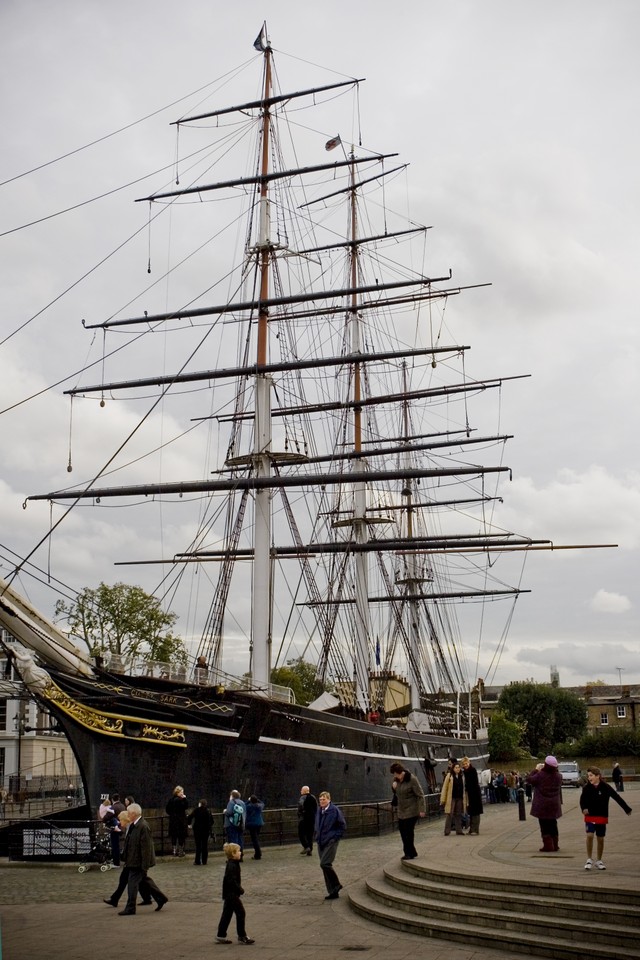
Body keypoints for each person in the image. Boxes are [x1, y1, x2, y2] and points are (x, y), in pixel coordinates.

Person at [118, 802, 168, 915]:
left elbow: (146, 848)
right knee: (145, 881)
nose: (127, 814)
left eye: (129, 813)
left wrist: (144, 865)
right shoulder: (135, 825)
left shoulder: (143, 826)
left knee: (132, 884)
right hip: (133, 860)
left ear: (134, 814)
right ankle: (161, 898)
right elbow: (130, 844)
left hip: (137, 862)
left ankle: (130, 907)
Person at [580, 765, 632, 870]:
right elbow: (582, 800)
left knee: (600, 838)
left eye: (591, 775)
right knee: (589, 835)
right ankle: (589, 859)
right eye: (588, 775)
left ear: (598, 776)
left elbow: (617, 797)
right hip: (590, 816)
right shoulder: (586, 787)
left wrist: (626, 808)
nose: (589, 778)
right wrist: (584, 808)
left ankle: (599, 860)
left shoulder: (605, 787)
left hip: (601, 816)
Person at [103, 811, 154, 908]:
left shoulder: (134, 827)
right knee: (138, 880)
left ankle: (117, 899)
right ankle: (147, 898)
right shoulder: (130, 827)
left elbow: (142, 846)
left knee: (135, 881)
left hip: (134, 860)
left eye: (120, 820)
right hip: (132, 859)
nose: (119, 822)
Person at [215, 842, 255, 944]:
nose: (241, 853)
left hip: (229, 894)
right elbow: (231, 881)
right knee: (241, 913)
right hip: (232, 894)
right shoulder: (232, 865)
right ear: (233, 854)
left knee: (227, 914)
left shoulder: (232, 864)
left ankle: (221, 934)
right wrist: (240, 889)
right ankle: (242, 935)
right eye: (238, 851)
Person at [527, 755, 563, 852]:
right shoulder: (559, 776)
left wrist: (536, 770)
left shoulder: (540, 775)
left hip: (542, 804)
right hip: (554, 804)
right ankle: (555, 844)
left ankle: (548, 845)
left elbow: (529, 779)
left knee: (544, 824)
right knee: (553, 823)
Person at [390, 762, 426, 858]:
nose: (395, 776)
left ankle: (408, 853)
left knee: (408, 832)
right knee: (402, 832)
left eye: (396, 774)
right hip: (401, 810)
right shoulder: (396, 780)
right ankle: (412, 851)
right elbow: (397, 792)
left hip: (412, 810)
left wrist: (422, 809)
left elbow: (420, 795)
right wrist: (393, 788)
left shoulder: (412, 779)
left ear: (401, 772)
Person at [314, 791, 346, 900]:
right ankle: (333, 891)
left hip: (330, 841)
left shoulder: (334, 811)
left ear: (329, 799)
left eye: (324, 799)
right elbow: (317, 823)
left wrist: (335, 838)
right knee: (324, 867)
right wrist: (317, 835)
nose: (322, 802)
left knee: (325, 863)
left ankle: (336, 885)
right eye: (320, 800)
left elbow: (342, 825)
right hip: (321, 841)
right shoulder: (319, 810)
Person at [440, 760, 466, 837]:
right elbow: (445, 788)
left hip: (460, 797)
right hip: (452, 798)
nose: (458, 769)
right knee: (449, 813)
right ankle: (447, 830)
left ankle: (459, 830)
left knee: (458, 814)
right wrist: (443, 799)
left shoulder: (462, 776)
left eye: (459, 767)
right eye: (456, 768)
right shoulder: (449, 776)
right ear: (453, 768)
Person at [461, 757, 484, 835]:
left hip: (475, 793)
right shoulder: (464, 772)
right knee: (471, 812)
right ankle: (471, 829)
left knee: (476, 812)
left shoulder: (472, 770)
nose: (465, 765)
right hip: (469, 794)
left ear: (469, 763)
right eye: (464, 764)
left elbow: (474, 782)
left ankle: (475, 829)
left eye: (466, 763)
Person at [188, 798, 214, 865]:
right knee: (205, 845)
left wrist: (189, 824)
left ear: (200, 804)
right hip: (206, 830)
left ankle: (197, 861)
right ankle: (204, 861)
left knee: (198, 845)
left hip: (197, 830)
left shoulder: (196, 810)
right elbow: (212, 821)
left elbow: (190, 817)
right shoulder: (208, 811)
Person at [166, 785, 189, 857]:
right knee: (181, 836)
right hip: (181, 821)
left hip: (173, 821)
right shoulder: (181, 800)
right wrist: (185, 799)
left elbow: (167, 810)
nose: (182, 793)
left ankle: (174, 851)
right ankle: (181, 851)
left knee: (174, 836)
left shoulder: (171, 800)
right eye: (181, 792)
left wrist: (172, 815)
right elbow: (186, 806)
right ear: (178, 793)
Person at [224, 790, 246, 855]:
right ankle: (240, 854)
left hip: (231, 824)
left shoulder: (231, 802)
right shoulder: (242, 803)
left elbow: (229, 812)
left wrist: (225, 811)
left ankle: (233, 855)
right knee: (240, 839)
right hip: (241, 824)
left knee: (233, 840)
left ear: (232, 796)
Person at [297, 785, 317, 856]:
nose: (300, 791)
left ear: (304, 791)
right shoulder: (313, 797)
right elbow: (316, 807)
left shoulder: (303, 797)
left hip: (304, 818)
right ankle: (310, 850)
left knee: (301, 833)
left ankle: (306, 846)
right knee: (310, 834)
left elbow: (300, 806)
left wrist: (300, 814)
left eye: (301, 790)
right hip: (312, 819)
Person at [245, 795, 264, 860]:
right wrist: (257, 799)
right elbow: (262, 803)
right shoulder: (259, 806)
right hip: (259, 823)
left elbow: (244, 805)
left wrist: (248, 800)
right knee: (256, 839)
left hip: (252, 824)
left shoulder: (249, 807)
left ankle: (258, 853)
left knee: (254, 840)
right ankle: (257, 853)